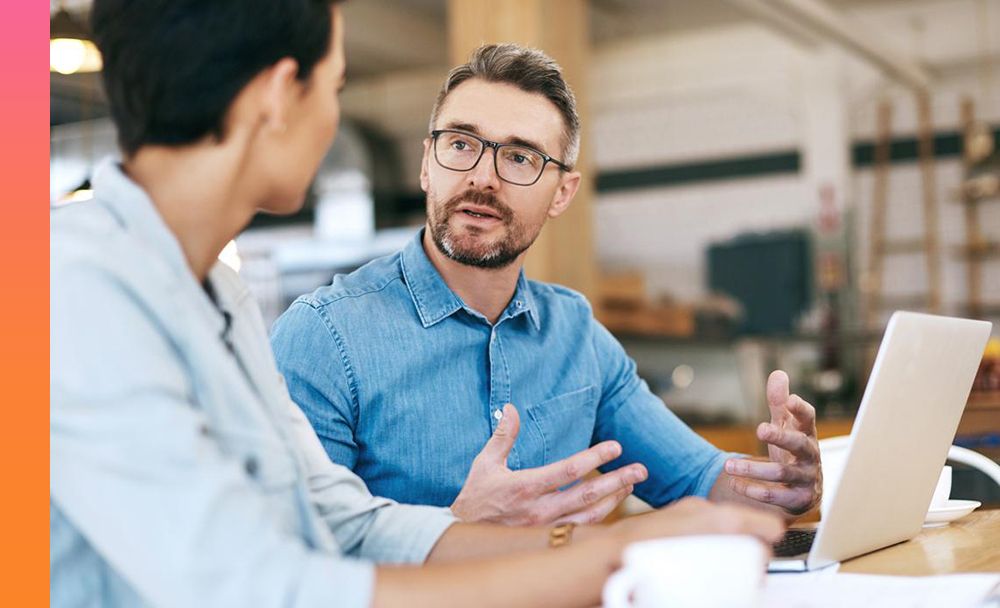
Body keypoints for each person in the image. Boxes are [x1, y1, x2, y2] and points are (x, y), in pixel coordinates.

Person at [50, 2, 785, 607]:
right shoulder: (67, 287)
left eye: (521, 157)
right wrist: (612, 558)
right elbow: (261, 586)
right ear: (280, 96)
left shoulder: (221, 293)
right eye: (335, 88)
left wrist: (601, 543)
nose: (335, 120)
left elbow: (344, 520)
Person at [271, 43, 823, 526]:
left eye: (519, 157)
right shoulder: (322, 337)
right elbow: (288, 561)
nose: (482, 177)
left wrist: (781, 488)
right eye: (461, 144)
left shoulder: (576, 335)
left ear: (562, 193)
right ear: (426, 164)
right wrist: (457, 527)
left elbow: (702, 481)